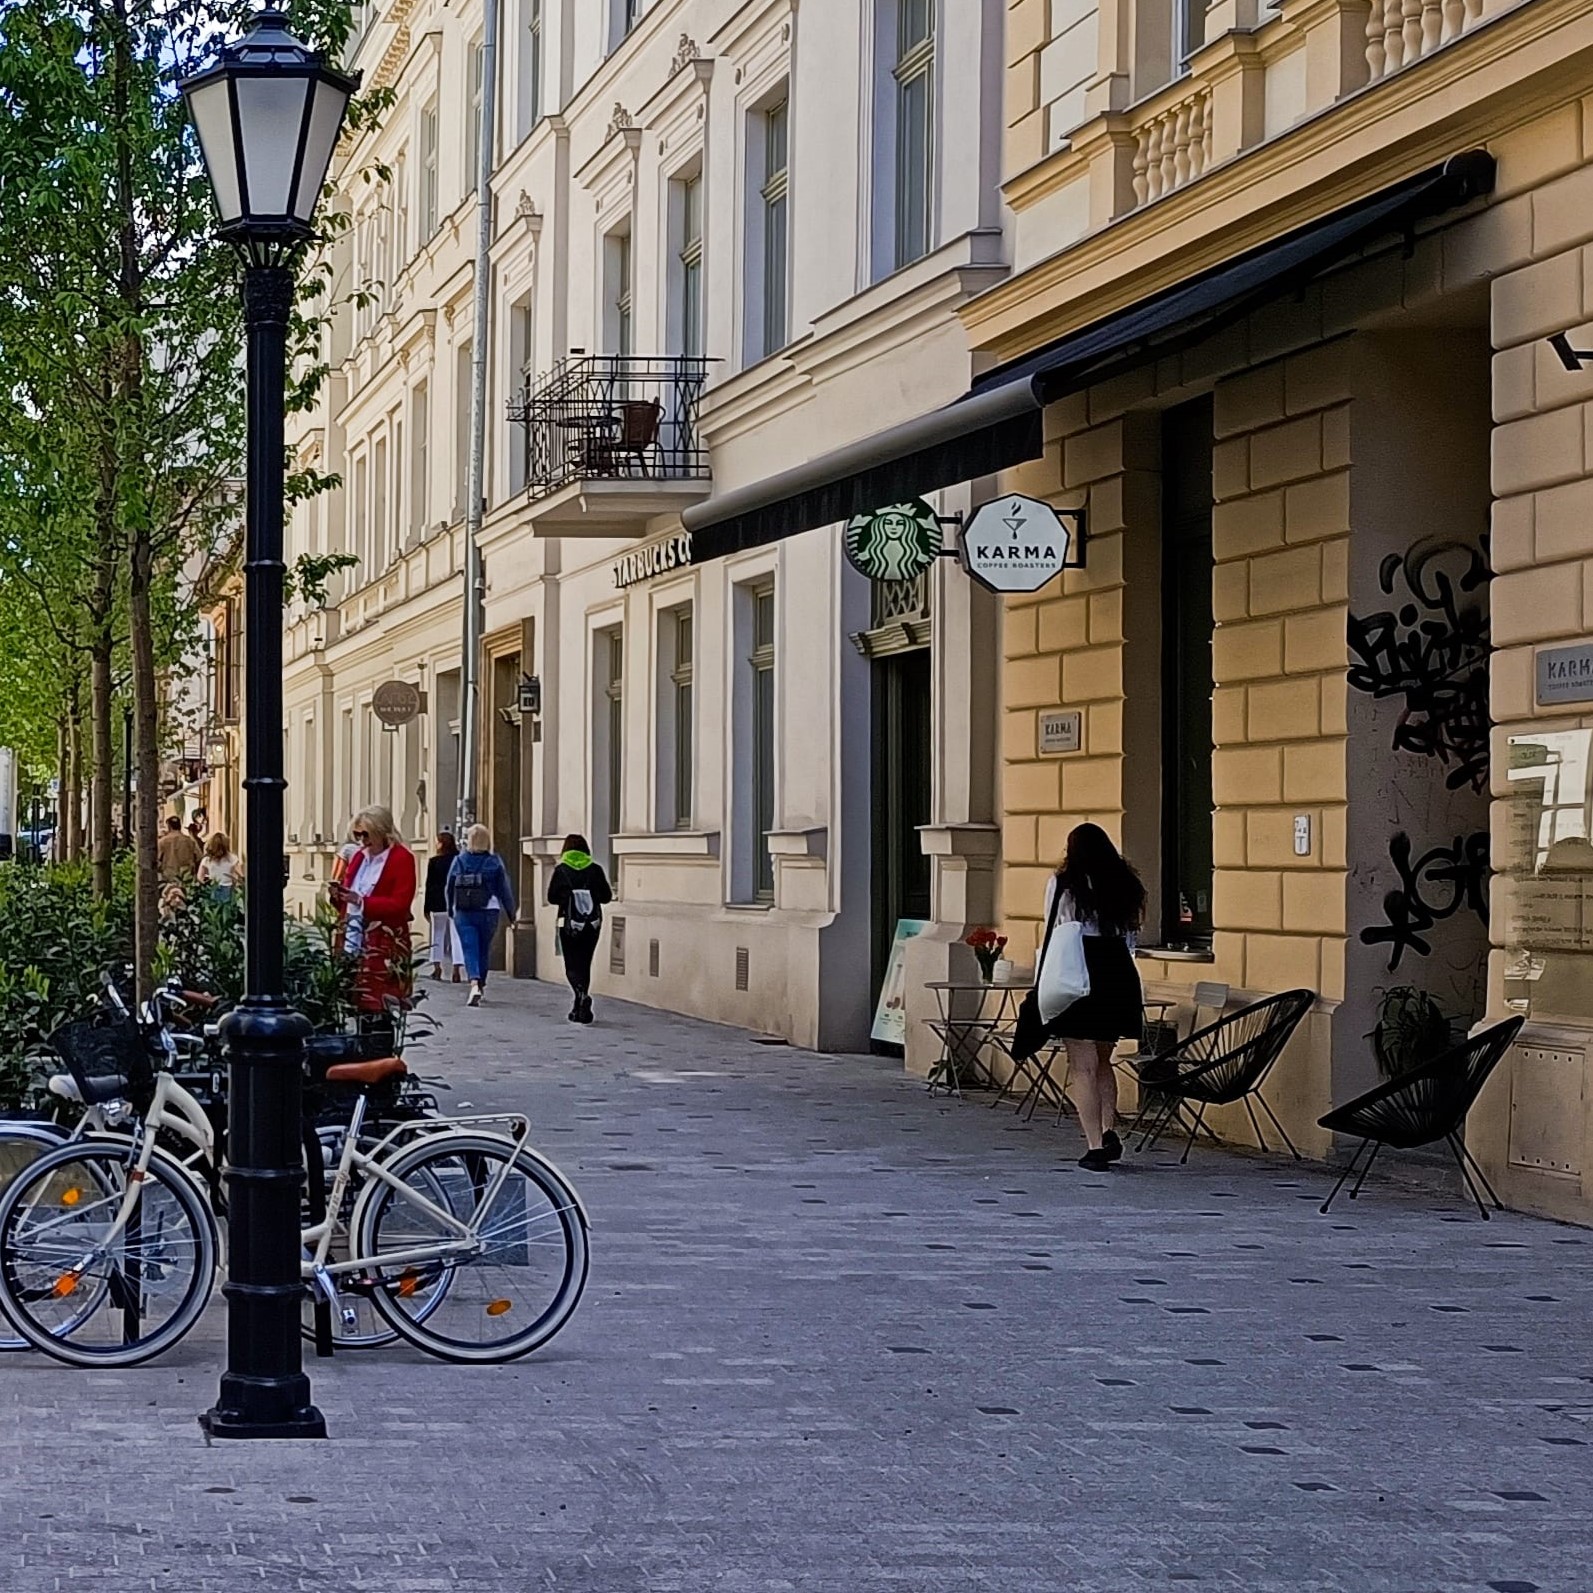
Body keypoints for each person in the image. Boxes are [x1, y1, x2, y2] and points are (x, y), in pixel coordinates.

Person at [1040, 822, 1146, 1171]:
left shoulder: (1063, 884)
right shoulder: (1126, 884)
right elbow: (1132, 936)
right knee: (1103, 1060)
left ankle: (1095, 1145)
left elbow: (1055, 928)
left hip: (1078, 972)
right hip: (1117, 973)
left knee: (1081, 1066)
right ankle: (1109, 1128)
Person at [330, 806, 417, 1030]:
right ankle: (362, 1057)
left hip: (383, 941)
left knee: (380, 1006)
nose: (361, 840)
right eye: (357, 835)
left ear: (381, 831)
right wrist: (339, 896)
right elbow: (350, 895)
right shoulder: (359, 857)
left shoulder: (401, 858)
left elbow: (400, 904)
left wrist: (362, 902)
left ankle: (381, 1058)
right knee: (355, 1004)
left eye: (365, 834)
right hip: (353, 939)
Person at [447, 825, 518, 1009]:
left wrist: (450, 908)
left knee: (469, 947)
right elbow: (504, 890)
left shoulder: (459, 860)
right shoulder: (494, 862)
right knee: (483, 948)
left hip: (464, 910)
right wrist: (511, 913)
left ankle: (474, 983)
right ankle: (481, 984)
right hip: (489, 910)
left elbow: (449, 886)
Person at [546, 833, 612, 1025]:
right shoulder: (595, 869)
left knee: (571, 963)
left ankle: (580, 994)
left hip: (568, 923)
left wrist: (567, 897)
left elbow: (551, 897)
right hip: (592, 924)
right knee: (585, 962)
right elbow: (606, 896)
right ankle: (580, 1003)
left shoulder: (561, 870)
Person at [425, 831, 463, 983]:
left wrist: (426, 908)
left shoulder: (434, 861)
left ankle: (437, 967)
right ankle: (456, 968)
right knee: (456, 936)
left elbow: (430, 885)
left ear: (441, 844)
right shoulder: (458, 860)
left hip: (438, 903)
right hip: (455, 903)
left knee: (437, 935)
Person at [197, 831, 243, 899]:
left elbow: (200, 877)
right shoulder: (232, 858)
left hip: (214, 888)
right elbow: (241, 875)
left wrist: (206, 884)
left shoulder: (207, 860)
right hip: (228, 889)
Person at [157, 814, 203, 882]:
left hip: (169, 878)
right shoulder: (190, 841)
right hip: (186, 877)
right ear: (180, 826)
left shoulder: (162, 842)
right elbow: (199, 857)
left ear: (169, 827)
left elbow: (156, 861)